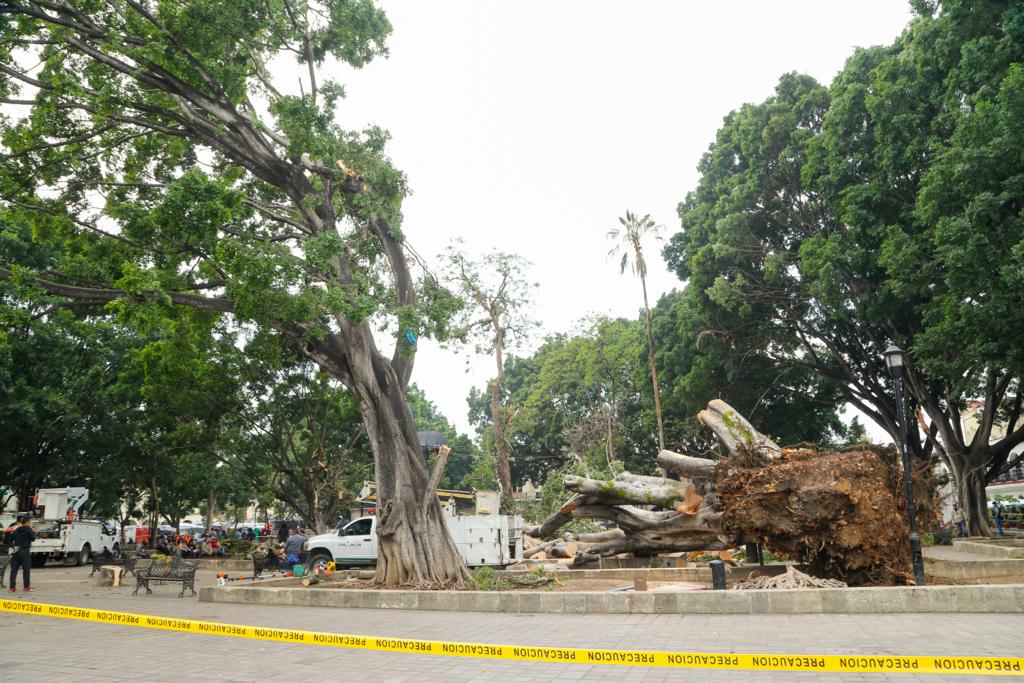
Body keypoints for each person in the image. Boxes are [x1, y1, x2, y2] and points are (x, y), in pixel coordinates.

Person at [9, 515, 36, 593]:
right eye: (30, 522)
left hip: (16, 551)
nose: (30, 523)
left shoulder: (16, 529)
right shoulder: (28, 529)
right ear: (27, 522)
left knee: (14, 570)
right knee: (26, 570)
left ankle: (12, 587)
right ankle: (26, 587)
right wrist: (33, 531)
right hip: (25, 551)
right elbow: (33, 538)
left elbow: (9, 540)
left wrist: (13, 547)